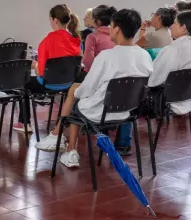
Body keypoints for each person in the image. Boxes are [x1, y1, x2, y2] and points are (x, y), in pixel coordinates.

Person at [36, 9, 153, 168]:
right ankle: (57, 137)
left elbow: (87, 89)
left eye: (111, 26)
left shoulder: (106, 57)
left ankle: (70, 150)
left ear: (117, 29)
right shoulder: (144, 56)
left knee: (76, 99)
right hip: (128, 110)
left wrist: (77, 92)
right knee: (76, 91)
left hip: (102, 110)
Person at [13, 5, 81, 133]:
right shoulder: (76, 40)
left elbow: (40, 72)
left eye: (50, 20)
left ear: (55, 20)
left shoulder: (47, 41)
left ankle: (24, 122)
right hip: (69, 84)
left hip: (48, 84)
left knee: (24, 82)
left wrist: (34, 65)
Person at [148, 11, 191, 114]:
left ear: (183, 28)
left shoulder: (172, 50)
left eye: (175, 23)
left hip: (166, 102)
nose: (171, 26)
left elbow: (153, 80)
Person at [81, 5, 117, 76]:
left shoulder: (92, 37)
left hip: (95, 75)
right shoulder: (116, 36)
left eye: (92, 18)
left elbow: (88, 62)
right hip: (111, 74)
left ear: (98, 21)